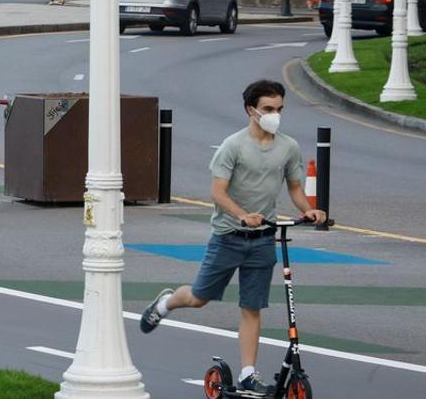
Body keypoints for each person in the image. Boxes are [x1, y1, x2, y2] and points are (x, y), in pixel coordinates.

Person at [138, 79, 328, 397]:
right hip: (229, 236)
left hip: (264, 238)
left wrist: (309, 210)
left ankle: (249, 374)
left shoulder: (288, 147)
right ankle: (166, 302)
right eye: (268, 109)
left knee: (251, 307)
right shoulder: (233, 146)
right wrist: (241, 214)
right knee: (199, 297)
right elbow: (217, 192)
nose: (275, 115)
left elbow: (295, 187)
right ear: (251, 110)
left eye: (280, 109)